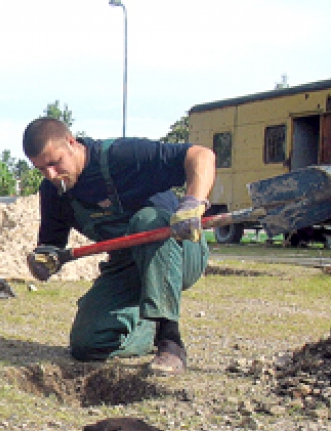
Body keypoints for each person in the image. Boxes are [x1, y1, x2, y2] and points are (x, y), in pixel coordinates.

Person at [22, 118, 216, 374]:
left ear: (71, 143)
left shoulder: (122, 157)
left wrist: (193, 203)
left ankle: (170, 340)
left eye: (54, 163)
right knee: (87, 345)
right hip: (128, 263)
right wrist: (43, 260)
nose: (51, 175)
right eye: (41, 169)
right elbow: (50, 245)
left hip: (179, 249)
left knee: (148, 220)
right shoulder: (53, 192)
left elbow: (201, 155)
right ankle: (147, 326)